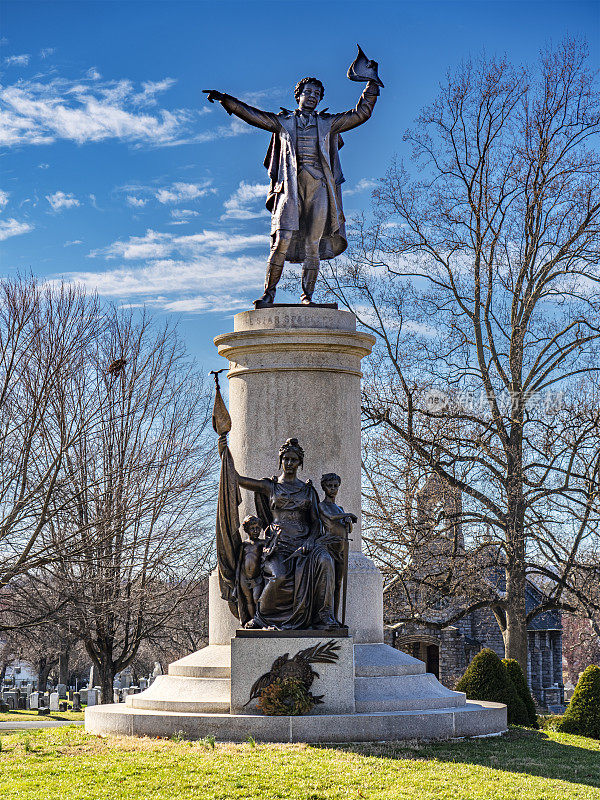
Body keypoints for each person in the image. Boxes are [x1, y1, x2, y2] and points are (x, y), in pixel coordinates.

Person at [203, 76, 380, 306]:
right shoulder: (283, 121)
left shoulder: (329, 122)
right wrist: (227, 101)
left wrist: (371, 86)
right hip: (291, 188)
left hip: (319, 187)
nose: (313, 97)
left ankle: (307, 296)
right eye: (309, 92)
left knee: (312, 244)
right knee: (281, 240)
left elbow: (360, 114)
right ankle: (269, 293)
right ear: (298, 95)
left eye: (317, 94)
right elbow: (253, 116)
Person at [235, 438, 339, 629]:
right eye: (286, 459)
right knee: (279, 576)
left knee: (326, 561)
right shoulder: (271, 486)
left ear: (300, 463)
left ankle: (324, 615)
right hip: (278, 545)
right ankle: (261, 616)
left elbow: (315, 522)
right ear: (280, 460)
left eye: (294, 460)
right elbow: (239, 480)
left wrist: (309, 540)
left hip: (304, 543)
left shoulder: (308, 491)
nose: (290, 463)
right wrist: (224, 448)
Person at [319, 473, 357, 622]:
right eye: (330, 486)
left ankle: (335, 617)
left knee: (338, 584)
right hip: (329, 546)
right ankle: (327, 615)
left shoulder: (340, 508)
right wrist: (348, 515)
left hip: (342, 547)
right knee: (329, 583)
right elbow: (331, 517)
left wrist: (347, 521)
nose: (333, 489)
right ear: (324, 487)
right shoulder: (323, 505)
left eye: (336, 486)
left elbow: (349, 529)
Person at [236, 515, 265, 626]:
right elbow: (239, 562)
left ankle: (259, 619)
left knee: (257, 598)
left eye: (258, 528)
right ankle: (252, 620)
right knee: (248, 600)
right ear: (247, 529)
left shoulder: (262, 543)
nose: (255, 531)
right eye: (252, 528)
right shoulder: (244, 545)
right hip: (244, 577)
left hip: (257, 577)